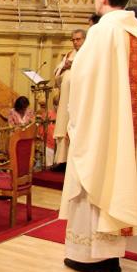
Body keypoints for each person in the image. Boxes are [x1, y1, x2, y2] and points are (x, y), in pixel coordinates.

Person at [60, 0, 137, 272]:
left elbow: (83, 83)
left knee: (96, 185)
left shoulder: (100, 33)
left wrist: (77, 123)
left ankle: (90, 257)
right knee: (120, 182)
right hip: (127, 132)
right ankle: (112, 257)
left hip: (102, 130)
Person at [53, 29, 87, 168]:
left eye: (78, 39)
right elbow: (56, 75)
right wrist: (64, 67)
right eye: (73, 40)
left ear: (85, 39)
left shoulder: (89, 54)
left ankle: (73, 162)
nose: (75, 42)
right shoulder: (69, 55)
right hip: (65, 99)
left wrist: (76, 66)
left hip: (79, 100)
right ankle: (62, 160)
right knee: (63, 124)